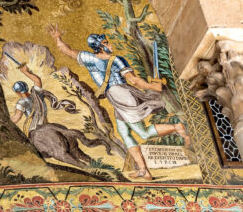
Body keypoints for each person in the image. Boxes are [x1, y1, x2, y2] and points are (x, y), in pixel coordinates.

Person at [48, 25, 189, 180]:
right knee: (125, 133)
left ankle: (176, 127)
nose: (110, 45)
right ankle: (144, 170)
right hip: (119, 96)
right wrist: (152, 86)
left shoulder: (95, 59)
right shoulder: (111, 60)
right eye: (107, 43)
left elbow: (66, 50)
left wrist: (58, 39)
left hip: (121, 96)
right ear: (100, 47)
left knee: (142, 132)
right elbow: (134, 80)